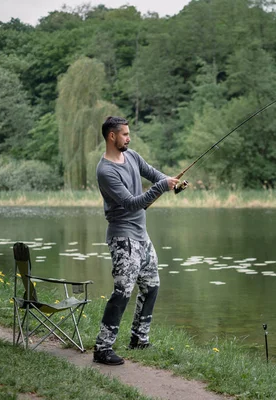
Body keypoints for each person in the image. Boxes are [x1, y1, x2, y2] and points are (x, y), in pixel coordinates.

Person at [93, 116, 182, 366]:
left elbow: (154, 175)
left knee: (151, 286)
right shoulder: (105, 171)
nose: (128, 138)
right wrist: (162, 187)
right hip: (123, 238)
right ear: (112, 136)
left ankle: (138, 339)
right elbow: (132, 203)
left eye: (128, 134)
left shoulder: (132, 156)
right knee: (122, 292)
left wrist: (172, 184)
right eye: (124, 134)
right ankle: (102, 347)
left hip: (142, 237)